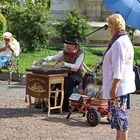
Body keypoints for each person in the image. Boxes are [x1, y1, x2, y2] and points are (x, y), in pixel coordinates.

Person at [102, 14, 136, 140]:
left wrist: (113, 88)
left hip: (118, 88)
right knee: (118, 119)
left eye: (109, 25)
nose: (108, 29)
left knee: (121, 119)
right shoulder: (121, 39)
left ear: (113, 26)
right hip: (119, 87)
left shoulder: (119, 42)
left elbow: (118, 67)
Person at [34, 36, 84, 111]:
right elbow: (54, 58)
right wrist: (43, 60)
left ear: (74, 45)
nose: (67, 46)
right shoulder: (64, 51)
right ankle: (51, 106)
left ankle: (63, 107)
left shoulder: (80, 53)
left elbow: (76, 67)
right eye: (66, 44)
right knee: (53, 84)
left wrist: (64, 64)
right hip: (65, 74)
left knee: (64, 84)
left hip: (76, 75)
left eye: (69, 45)